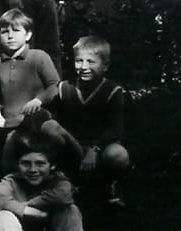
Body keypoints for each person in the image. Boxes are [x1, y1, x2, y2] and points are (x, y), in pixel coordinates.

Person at [44, 35, 130, 203]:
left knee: (118, 154)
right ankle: (64, 180)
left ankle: (110, 185)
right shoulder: (65, 87)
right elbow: (56, 119)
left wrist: (94, 150)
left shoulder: (113, 91)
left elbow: (115, 128)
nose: (83, 67)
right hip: (72, 145)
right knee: (50, 126)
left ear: (105, 66)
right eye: (79, 61)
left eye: (91, 62)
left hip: (100, 147)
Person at [0, 9, 59, 140]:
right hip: (7, 125)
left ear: (28, 35)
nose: (10, 36)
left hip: (36, 123)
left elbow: (55, 86)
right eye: (5, 32)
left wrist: (38, 100)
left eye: (16, 30)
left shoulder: (38, 57)